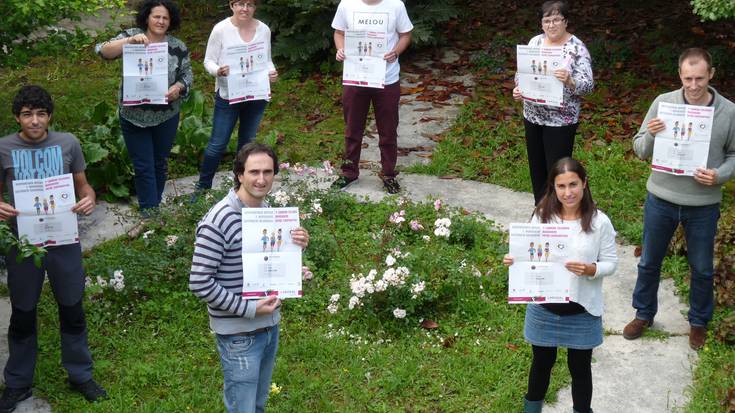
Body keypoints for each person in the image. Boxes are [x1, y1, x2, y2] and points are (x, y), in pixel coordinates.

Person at [0, 85, 108, 411]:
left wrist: (89, 197)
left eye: (41, 114)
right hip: (23, 244)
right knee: (22, 312)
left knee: (72, 307)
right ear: (17, 117)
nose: (35, 121)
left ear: (49, 117)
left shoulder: (68, 143)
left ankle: (79, 374)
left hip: (63, 240)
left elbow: (82, 184)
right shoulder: (4, 148)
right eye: (28, 114)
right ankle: (17, 383)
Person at [623, 48, 735, 350]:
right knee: (649, 262)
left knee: (701, 267)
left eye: (700, 78)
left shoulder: (728, 111)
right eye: (688, 78)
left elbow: (734, 155)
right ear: (680, 75)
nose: (694, 85)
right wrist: (651, 133)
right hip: (662, 198)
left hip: (703, 203)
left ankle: (698, 322)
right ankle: (643, 314)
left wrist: (720, 175)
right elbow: (639, 149)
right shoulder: (664, 103)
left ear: (711, 74)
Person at [189, 143, 310, 413]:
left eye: (268, 172)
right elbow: (199, 281)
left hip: (269, 327)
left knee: (257, 404)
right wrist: (249, 309)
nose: (261, 179)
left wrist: (294, 265)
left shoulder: (266, 213)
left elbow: (264, 266)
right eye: (254, 171)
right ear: (239, 175)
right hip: (239, 334)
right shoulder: (218, 220)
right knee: (243, 408)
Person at [503, 157, 617, 413]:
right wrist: (515, 260)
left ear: (584, 183)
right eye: (561, 186)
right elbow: (527, 255)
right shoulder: (542, 216)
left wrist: (592, 269)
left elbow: (611, 263)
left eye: (573, 184)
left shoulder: (600, 222)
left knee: (580, 368)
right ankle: (531, 409)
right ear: (553, 188)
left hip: (582, 309)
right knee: (541, 363)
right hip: (544, 308)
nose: (568, 192)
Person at [96, 0, 193, 214]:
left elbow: (187, 77)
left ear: (171, 21)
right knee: (143, 166)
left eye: (165, 17)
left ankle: (154, 206)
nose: (160, 21)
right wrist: (130, 41)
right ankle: (149, 214)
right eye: (156, 16)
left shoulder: (177, 46)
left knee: (159, 163)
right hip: (133, 116)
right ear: (147, 17)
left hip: (166, 115)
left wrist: (178, 87)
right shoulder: (132, 36)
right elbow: (103, 51)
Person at [512, 1, 594, 205]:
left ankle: (560, 212)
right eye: (546, 20)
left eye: (556, 19)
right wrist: (518, 89)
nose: (551, 25)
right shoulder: (534, 43)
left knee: (557, 171)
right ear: (541, 24)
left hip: (560, 121)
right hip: (532, 116)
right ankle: (540, 209)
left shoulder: (576, 48)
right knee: (537, 169)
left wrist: (570, 80)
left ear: (565, 22)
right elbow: (521, 74)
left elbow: (588, 87)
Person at [194, 0, 279, 192]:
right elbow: (208, 61)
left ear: (255, 7)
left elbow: (266, 60)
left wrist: (272, 72)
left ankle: (240, 188)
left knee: (247, 145)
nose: (245, 9)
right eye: (240, 3)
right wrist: (218, 71)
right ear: (232, 5)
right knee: (217, 144)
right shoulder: (221, 29)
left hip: (256, 95)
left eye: (250, 4)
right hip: (229, 95)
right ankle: (202, 188)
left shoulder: (263, 29)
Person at [331, 0, 414, 194]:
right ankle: (349, 172)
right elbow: (339, 32)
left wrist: (396, 51)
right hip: (355, 77)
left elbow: (405, 35)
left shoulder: (395, 5)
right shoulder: (347, 4)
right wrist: (340, 49)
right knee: (352, 128)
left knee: (388, 129)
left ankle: (388, 174)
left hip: (387, 78)